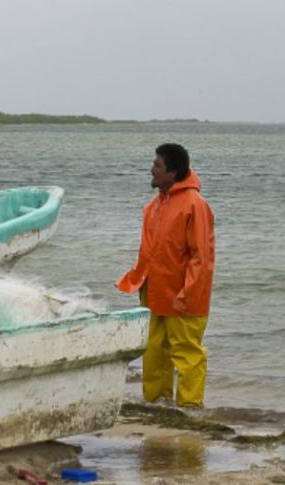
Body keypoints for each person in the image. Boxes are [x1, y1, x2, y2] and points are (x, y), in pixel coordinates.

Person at [116, 143, 215, 407]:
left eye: (158, 166)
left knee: (187, 353)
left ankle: (190, 409)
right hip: (154, 291)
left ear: (174, 172)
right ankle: (155, 404)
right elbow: (150, 251)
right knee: (154, 351)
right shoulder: (154, 205)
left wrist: (188, 292)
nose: (152, 170)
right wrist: (137, 280)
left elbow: (201, 257)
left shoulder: (195, 205)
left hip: (184, 295)